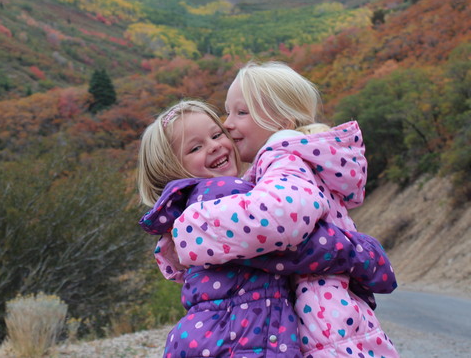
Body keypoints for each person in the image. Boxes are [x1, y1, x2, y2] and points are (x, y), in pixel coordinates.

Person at [168, 62, 399, 357]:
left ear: (282, 120)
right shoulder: (287, 161)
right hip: (327, 316)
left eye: (241, 112)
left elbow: (280, 217)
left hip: (323, 324)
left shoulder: (284, 158)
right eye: (228, 111)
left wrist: (191, 231)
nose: (227, 123)